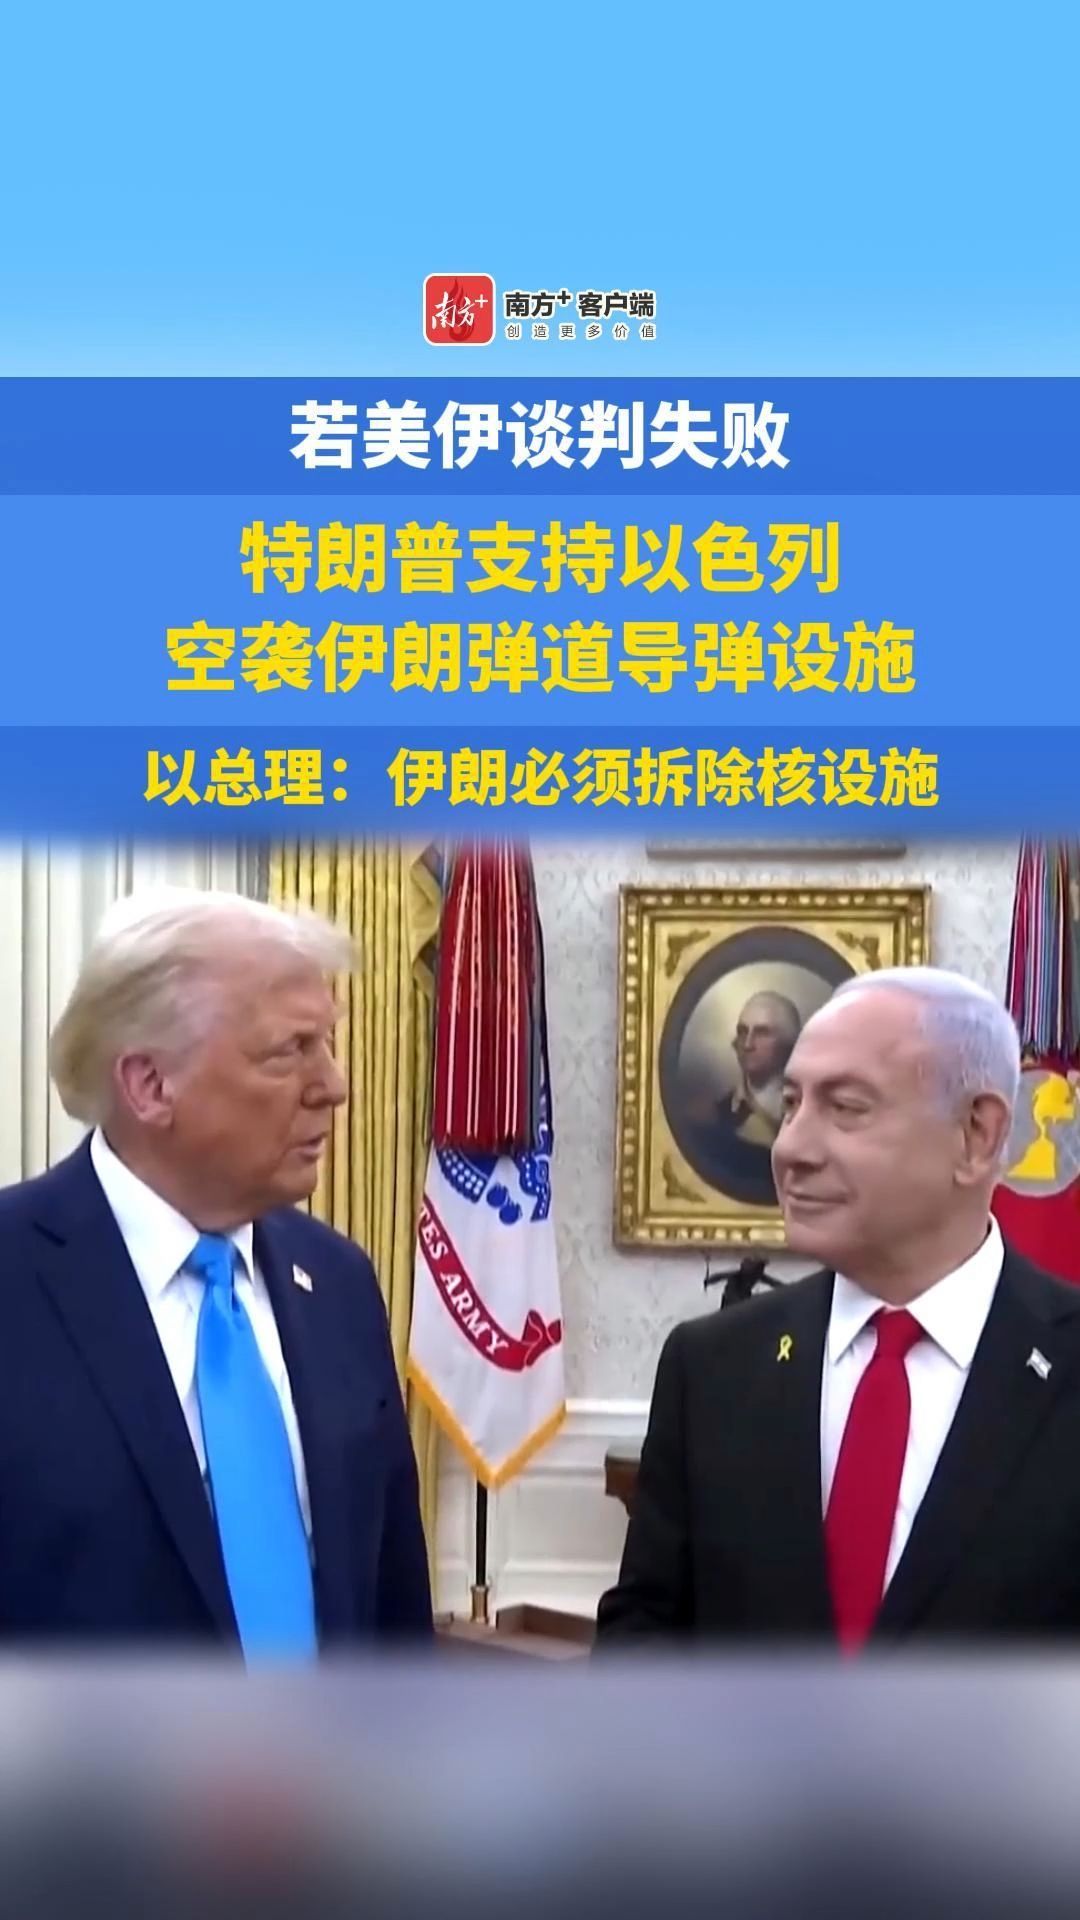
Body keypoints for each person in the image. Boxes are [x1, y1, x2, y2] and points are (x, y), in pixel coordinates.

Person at [0, 888, 433, 1654]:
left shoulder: (338, 1283)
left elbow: (393, 1613)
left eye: (327, 1044)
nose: (334, 1085)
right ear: (150, 1085)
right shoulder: (17, 1275)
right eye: (289, 1051)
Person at [596, 966, 1080, 1648]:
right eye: (792, 1103)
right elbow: (642, 1644)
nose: (791, 1148)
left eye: (846, 1108)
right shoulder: (710, 1369)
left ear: (976, 1134)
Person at [676, 989, 801, 1205]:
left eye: (762, 1033)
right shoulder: (710, 1120)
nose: (748, 1044)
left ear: (788, 1044)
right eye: (743, 1032)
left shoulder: (812, 1113)